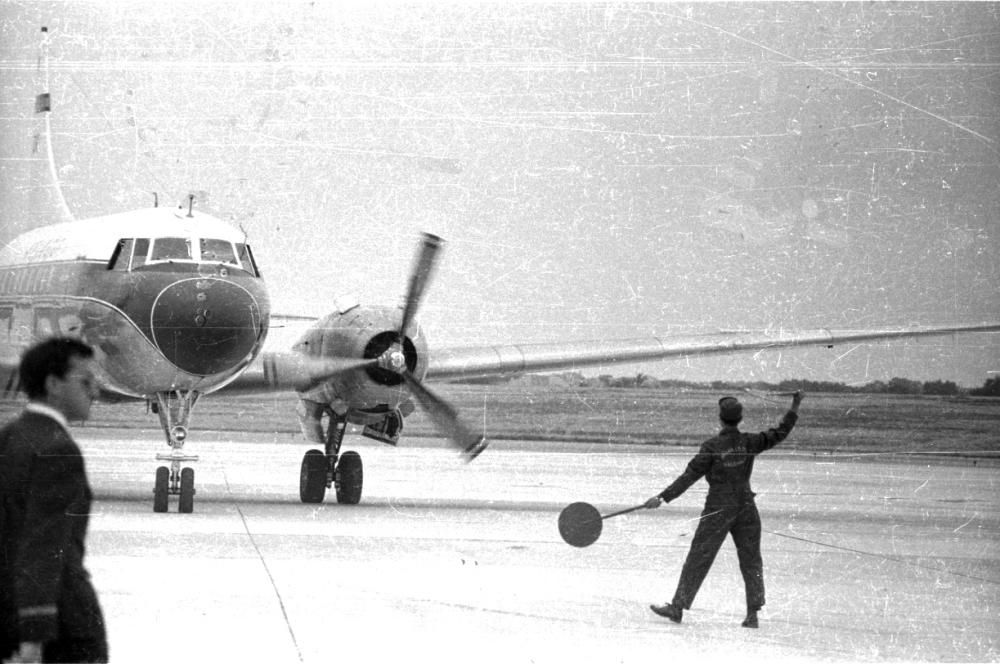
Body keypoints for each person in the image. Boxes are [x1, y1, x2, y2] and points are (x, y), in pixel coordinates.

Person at [644, 391, 804, 628]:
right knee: (751, 560)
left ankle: (677, 607)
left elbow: (688, 477)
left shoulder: (712, 446)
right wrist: (795, 405)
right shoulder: (750, 441)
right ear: (739, 419)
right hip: (746, 506)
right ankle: (752, 615)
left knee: (699, 557)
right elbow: (780, 433)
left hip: (719, 507)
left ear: (720, 419)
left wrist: (662, 497)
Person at [0, 338, 108, 663]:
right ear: (53, 384)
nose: (95, 392)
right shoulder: (58, 449)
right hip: (60, 627)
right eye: (85, 381)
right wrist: (35, 635)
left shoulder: (8, 437)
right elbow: (44, 547)